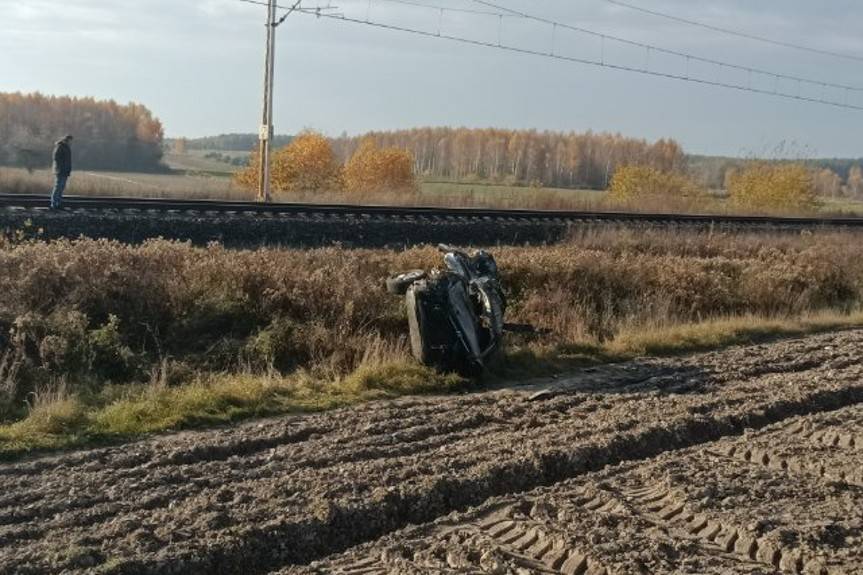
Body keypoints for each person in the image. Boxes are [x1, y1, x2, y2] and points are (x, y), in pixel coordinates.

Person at [50, 135, 73, 209]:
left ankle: (58, 203)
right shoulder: (60, 146)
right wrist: (60, 167)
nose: (70, 142)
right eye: (70, 140)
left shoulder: (67, 147)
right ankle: (53, 204)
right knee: (58, 187)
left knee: (61, 187)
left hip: (65, 170)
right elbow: (56, 158)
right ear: (66, 140)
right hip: (60, 170)